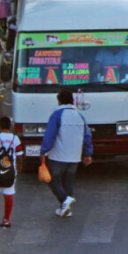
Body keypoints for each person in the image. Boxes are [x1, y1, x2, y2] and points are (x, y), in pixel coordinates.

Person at [39, 88, 92, 218]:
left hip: (58, 156)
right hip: (74, 157)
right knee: (68, 181)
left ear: (59, 100)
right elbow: (87, 136)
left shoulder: (57, 115)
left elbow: (50, 135)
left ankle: (64, 200)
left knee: (52, 180)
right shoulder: (80, 116)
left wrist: (43, 150)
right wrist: (87, 153)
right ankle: (65, 209)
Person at [0, 116, 22, 227]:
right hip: (11, 170)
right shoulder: (15, 139)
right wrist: (18, 167)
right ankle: (6, 220)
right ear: (10, 126)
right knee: (9, 194)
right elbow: (20, 155)